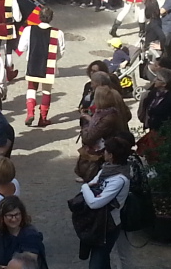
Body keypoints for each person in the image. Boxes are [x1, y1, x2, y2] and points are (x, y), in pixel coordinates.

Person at [80, 137, 131, 269]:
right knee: (102, 259)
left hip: (108, 225)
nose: (104, 153)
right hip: (98, 222)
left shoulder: (119, 179)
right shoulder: (107, 169)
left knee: (97, 262)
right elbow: (94, 184)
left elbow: (94, 202)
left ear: (112, 155)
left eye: (106, 151)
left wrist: (85, 187)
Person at [17, 7, 66, 127]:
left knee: (31, 89)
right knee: (46, 91)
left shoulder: (29, 30)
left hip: (33, 62)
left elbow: (21, 47)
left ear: (39, 17)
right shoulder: (57, 33)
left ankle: (30, 113)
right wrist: (54, 60)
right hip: (48, 65)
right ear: (51, 18)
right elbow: (61, 51)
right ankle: (43, 118)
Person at [75, 86, 127, 183]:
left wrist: (85, 127)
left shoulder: (108, 117)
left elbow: (90, 137)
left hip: (105, 146)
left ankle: (92, 177)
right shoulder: (106, 113)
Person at [0, 196, 47, 269]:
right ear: (2, 216)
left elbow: (28, 264)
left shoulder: (30, 235)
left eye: (17, 215)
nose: (14, 219)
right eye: (10, 215)